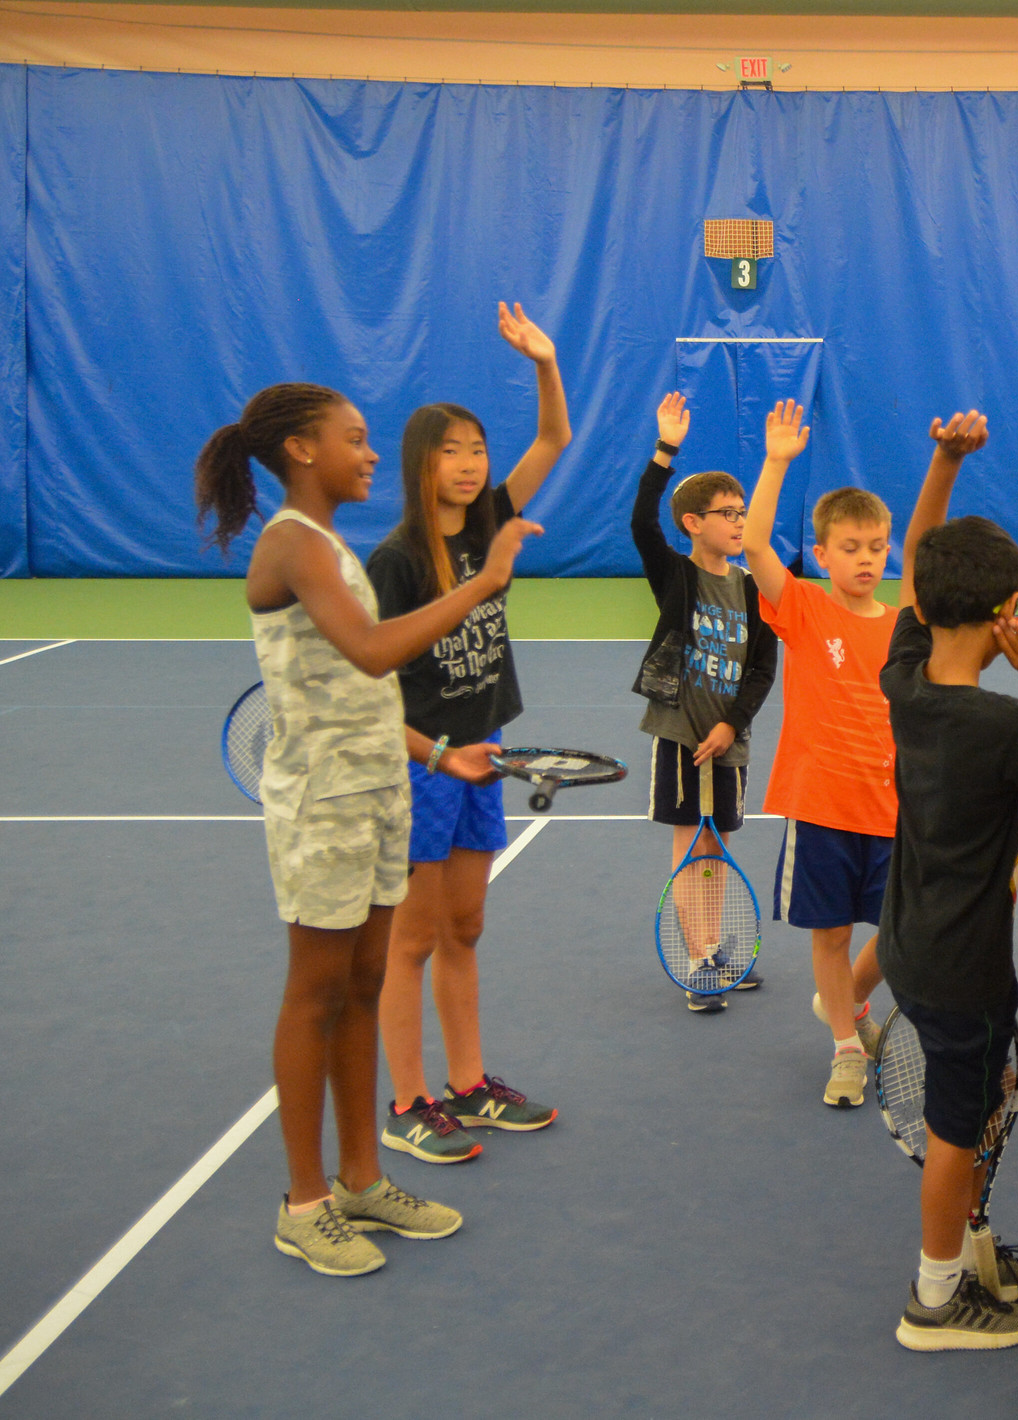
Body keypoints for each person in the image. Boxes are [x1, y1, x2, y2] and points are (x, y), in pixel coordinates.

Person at [194, 382, 538, 1276]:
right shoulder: (291, 545)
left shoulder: (331, 547)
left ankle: (360, 1178)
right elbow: (376, 652)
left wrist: (435, 755)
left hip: (383, 791)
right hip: (323, 805)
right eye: (354, 438)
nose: (372, 452)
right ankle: (303, 1203)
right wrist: (486, 582)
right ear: (303, 450)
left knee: (364, 980)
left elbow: (366, 694)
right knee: (316, 993)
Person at [367, 303, 569, 1164]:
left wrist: (544, 362)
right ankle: (408, 1102)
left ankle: (469, 1083)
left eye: (478, 451)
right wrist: (440, 757)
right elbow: (371, 692)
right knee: (410, 939)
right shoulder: (395, 563)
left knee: (467, 929)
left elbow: (554, 439)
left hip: (480, 757)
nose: (470, 465)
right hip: (423, 765)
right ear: (420, 463)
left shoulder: (490, 519)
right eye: (452, 452)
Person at [880, 409, 1018, 1352]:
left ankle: (968, 1251)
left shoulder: (903, 680)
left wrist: (942, 460)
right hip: (965, 971)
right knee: (958, 1129)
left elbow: (917, 564)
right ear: (1005, 618)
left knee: (974, 1110)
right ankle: (936, 1299)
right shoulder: (1000, 727)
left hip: (913, 947)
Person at [740, 399, 897, 1107]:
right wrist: (775, 462)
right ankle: (843, 1048)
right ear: (824, 552)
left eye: (875, 546)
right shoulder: (804, 608)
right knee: (829, 934)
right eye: (851, 547)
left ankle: (850, 1006)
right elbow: (752, 547)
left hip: (893, 806)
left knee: (901, 932)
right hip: (823, 801)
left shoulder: (904, 626)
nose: (865, 559)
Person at [629, 391, 781, 1012]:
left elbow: (763, 668)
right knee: (691, 846)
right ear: (693, 523)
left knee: (715, 848)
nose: (740, 522)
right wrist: (665, 450)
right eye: (727, 513)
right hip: (682, 738)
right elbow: (641, 522)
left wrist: (732, 725)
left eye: (743, 512)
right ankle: (697, 962)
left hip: (729, 742)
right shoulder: (678, 577)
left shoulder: (754, 588)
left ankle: (714, 948)